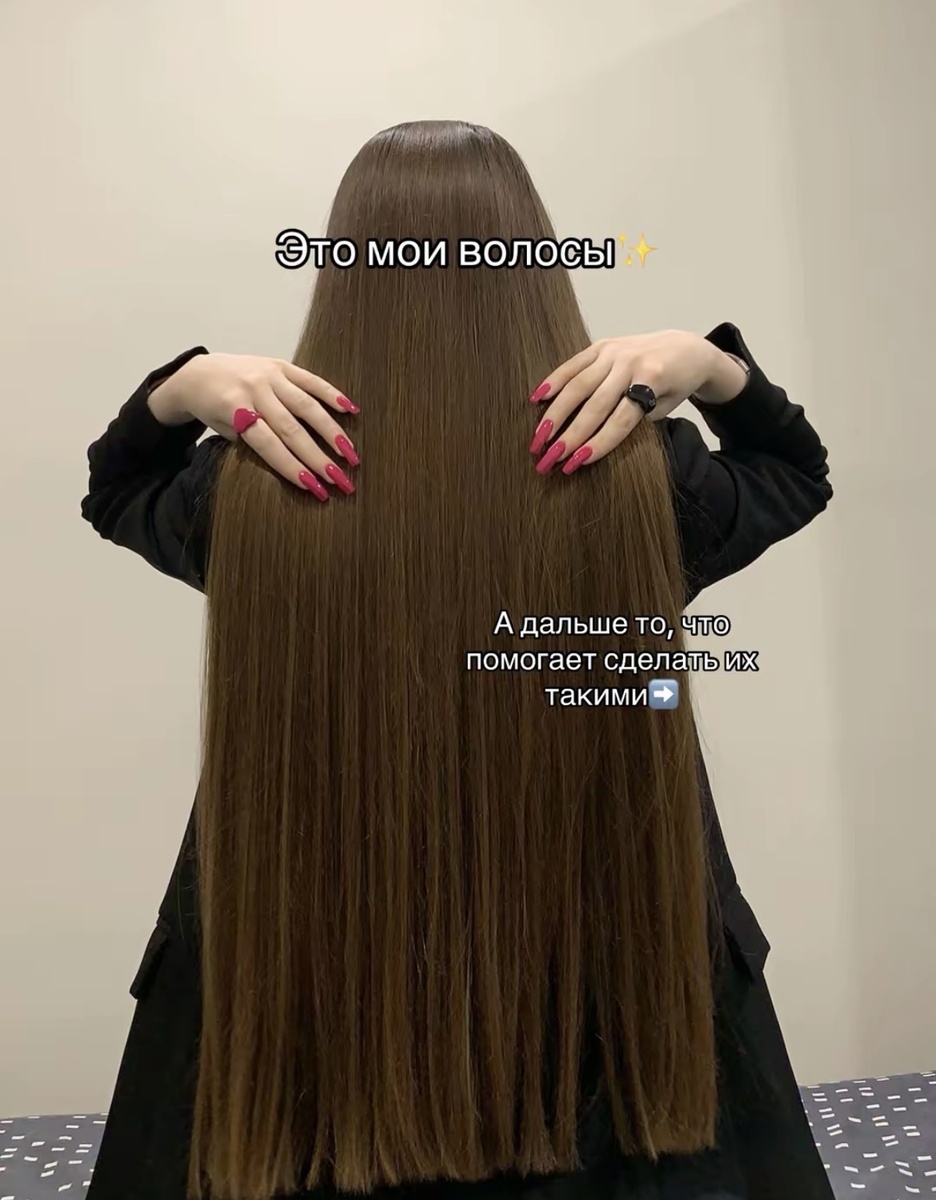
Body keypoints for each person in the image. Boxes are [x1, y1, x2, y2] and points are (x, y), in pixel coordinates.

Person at [80, 121, 834, 1200]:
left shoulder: (252, 490)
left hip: (302, 1106)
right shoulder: (641, 482)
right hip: (611, 1108)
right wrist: (710, 368)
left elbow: (115, 490)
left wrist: (181, 389)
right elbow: (795, 472)